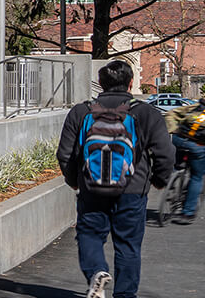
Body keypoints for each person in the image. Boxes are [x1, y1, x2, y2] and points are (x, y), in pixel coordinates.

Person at [57, 58, 174, 298]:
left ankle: (97, 272)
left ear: (100, 84)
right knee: (128, 246)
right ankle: (124, 295)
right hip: (132, 190)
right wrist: (159, 180)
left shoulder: (82, 111)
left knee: (89, 235)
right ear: (131, 83)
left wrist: (74, 181)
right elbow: (165, 151)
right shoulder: (145, 112)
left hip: (92, 188)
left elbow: (65, 153)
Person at [166, 98, 205, 224]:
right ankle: (188, 213)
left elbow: (171, 113)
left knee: (177, 165)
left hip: (179, 140)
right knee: (197, 177)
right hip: (197, 147)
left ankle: (170, 180)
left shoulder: (195, 107)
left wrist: (173, 129)